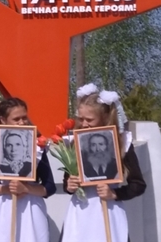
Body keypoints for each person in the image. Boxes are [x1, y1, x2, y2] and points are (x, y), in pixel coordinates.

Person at [62, 83, 146, 242]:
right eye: (81, 119)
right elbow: (67, 180)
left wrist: (115, 193)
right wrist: (70, 185)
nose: (84, 123)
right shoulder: (74, 143)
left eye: (89, 119)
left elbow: (138, 184)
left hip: (108, 210)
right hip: (80, 214)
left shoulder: (121, 144)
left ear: (104, 118)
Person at [0, 98, 56, 242]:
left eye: (24, 117)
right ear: (3, 120)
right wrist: (6, 190)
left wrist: (26, 188)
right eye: (16, 119)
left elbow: (50, 187)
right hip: (5, 208)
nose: (22, 122)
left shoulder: (37, 148)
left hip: (31, 208)